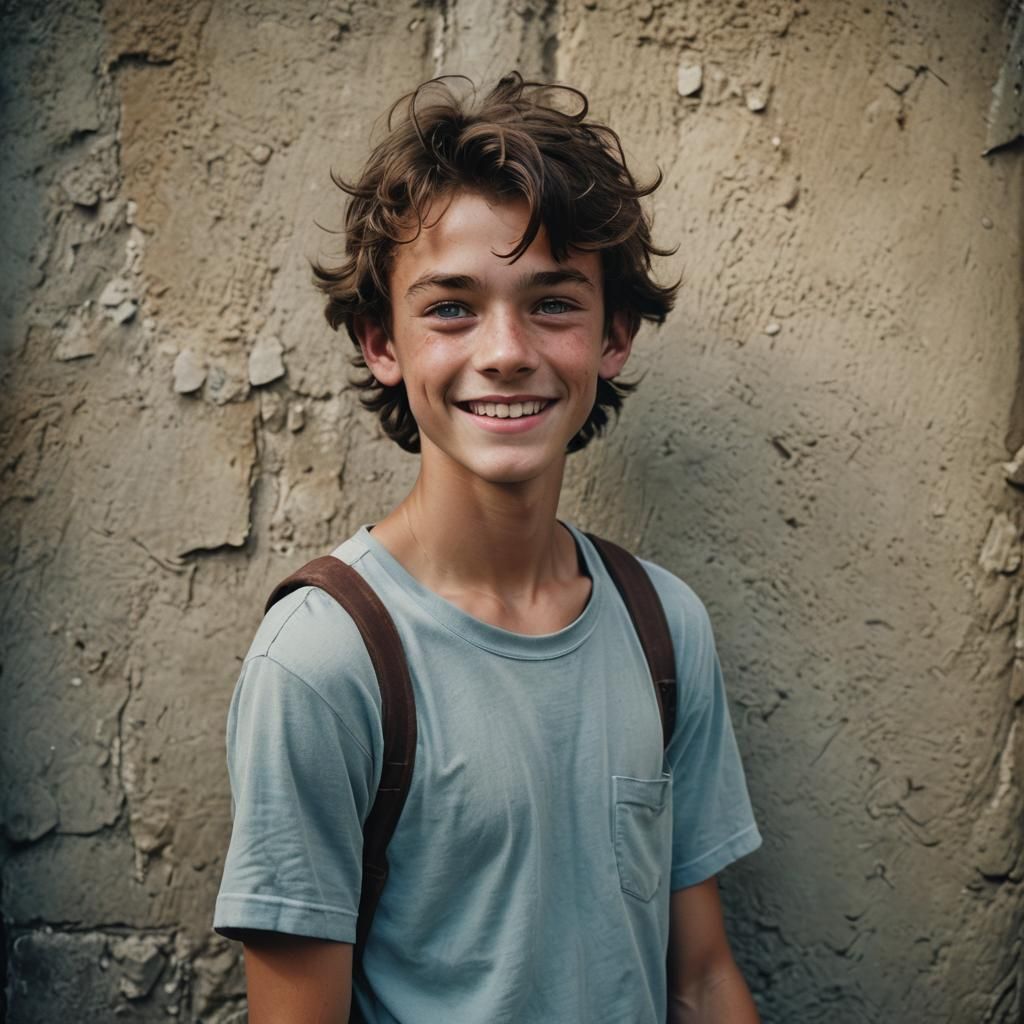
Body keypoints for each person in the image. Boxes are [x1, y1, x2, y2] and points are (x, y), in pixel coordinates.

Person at [213, 72, 762, 1024]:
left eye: (553, 303)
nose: (505, 349)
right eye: (452, 307)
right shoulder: (322, 662)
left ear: (614, 335)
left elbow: (702, 978)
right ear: (383, 342)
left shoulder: (664, 627)